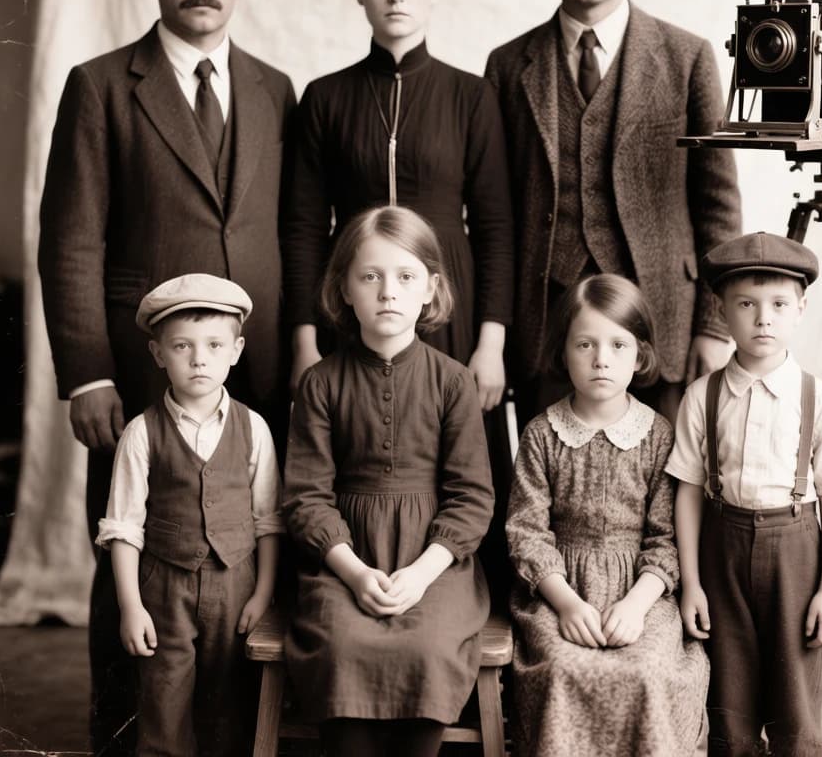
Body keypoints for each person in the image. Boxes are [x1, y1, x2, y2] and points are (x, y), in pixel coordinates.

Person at [37, 0, 295, 755]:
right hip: (140, 370)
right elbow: (70, 238)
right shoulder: (103, 84)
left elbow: (283, 232)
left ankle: (239, 735)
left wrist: (295, 355)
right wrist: (87, 373)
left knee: (243, 557)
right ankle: (121, 738)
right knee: (136, 557)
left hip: (248, 374)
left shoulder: (273, 88)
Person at [484, 0, 741, 423]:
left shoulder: (686, 57)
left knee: (663, 486)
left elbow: (718, 203)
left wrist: (714, 325)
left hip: (661, 321)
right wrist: (497, 333)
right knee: (549, 482)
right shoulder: (508, 66)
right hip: (547, 324)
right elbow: (496, 216)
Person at [283, 206, 495, 757]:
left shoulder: (453, 382)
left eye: (405, 277)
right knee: (341, 644)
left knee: (427, 644)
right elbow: (306, 496)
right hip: (343, 558)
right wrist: (353, 573)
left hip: (435, 561)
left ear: (431, 289)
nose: (387, 293)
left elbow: (472, 497)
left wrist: (424, 573)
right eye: (370, 276)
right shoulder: (320, 383)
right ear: (344, 289)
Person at [283, 0, 513, 409]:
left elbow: (496, 227)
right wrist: (304, 343)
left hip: (448, 303)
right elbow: (302, 228)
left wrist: (490, 345)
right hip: (348, 303)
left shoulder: (471, 96)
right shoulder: (324, 98)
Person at [665, 232, 822, 757]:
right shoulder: (700, 396)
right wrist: (691, 583)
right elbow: (687, 492)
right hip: (721, 553)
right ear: (722, 311)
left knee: (795, 710)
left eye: (779, 305)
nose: (763, 319)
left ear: (800, 310)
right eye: (747, 305)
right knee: (728, 709)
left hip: (796, 555)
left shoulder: (818, 399)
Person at [506, 274, 709, 757]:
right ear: (563, 353)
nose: (601, 358)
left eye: (618, 345)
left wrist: (638, 604)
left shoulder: (658, 434)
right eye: (585, 344)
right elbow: (527, 532)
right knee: (560, 668)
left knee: (648, 669)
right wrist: (568, 603)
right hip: (560, 589)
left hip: (641, 589)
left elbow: (667, 537)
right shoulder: (541, 434)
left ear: (639, 356)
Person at [95, 274, 281, 757]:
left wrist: (262, 592)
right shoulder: (142, 432)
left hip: (236, 584)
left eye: (214, 345)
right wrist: (131, 605)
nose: (199, 358)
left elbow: (269, 519)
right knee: (164, 699)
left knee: (230, 703)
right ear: (158, 353)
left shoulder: (253, 427)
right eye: (182, 346)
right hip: (164, 589)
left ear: (236, 350)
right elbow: (123, 527)